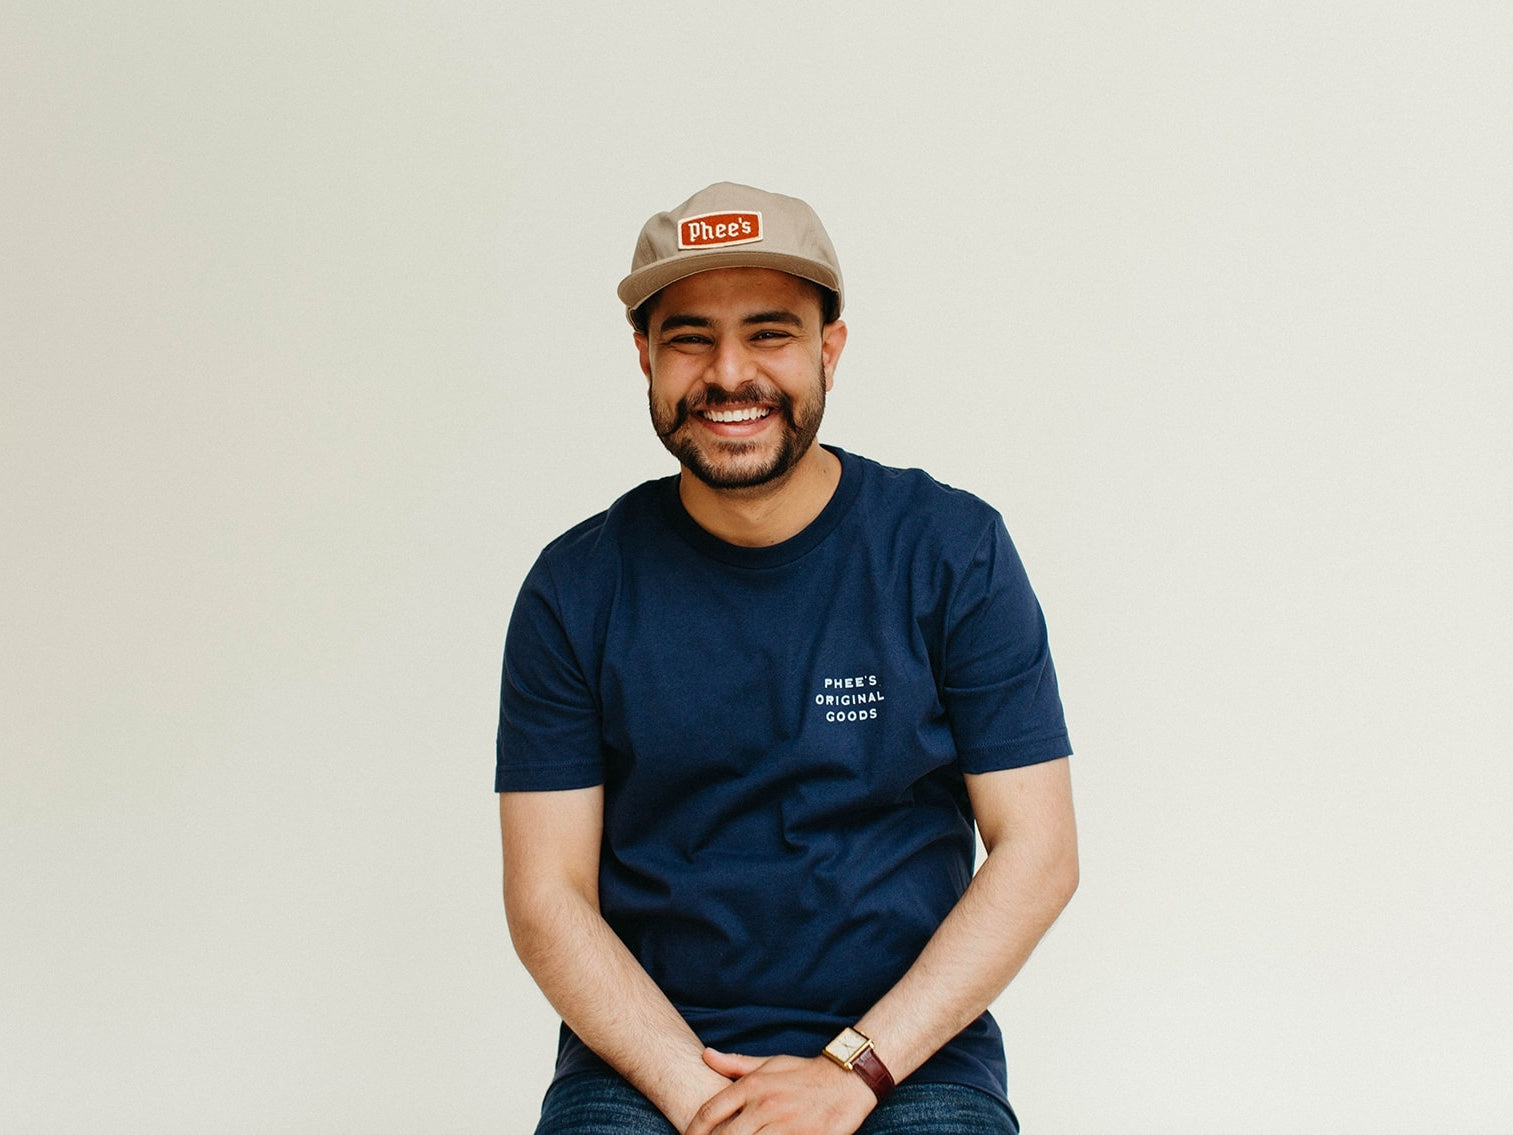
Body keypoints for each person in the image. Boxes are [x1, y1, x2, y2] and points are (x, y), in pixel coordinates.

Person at [497, 182, 1078, 1135]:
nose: (730, 373)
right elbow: (545, 897)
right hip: (648, 1062)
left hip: (909, 1057)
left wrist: (853, 1070)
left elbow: (1038, 851)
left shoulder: (950, 552)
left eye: (769, 333)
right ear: (644, 356)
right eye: (689, 337)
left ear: (828, 351)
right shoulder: (576, 586)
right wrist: (714, 1103)